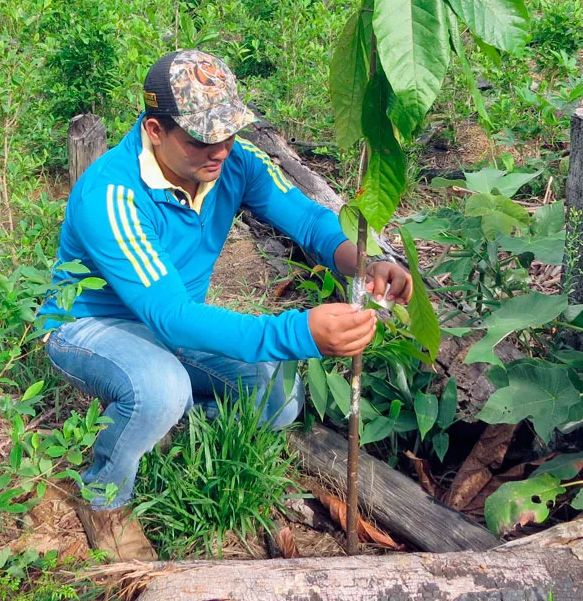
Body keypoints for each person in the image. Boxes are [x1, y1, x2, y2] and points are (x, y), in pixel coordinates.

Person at [40, 49, 412, 560]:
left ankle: (162, 428)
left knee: (278, 397)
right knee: (160, 386)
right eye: (199, 140)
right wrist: (298, 333)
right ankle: (104, 495)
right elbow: (169, 314)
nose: (217, 152)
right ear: (154, 130)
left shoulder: (235, 163)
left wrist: (367, 264)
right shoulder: (113, 194)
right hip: (90, 327)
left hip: (171, 326)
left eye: (227, 134)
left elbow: (307, 221)